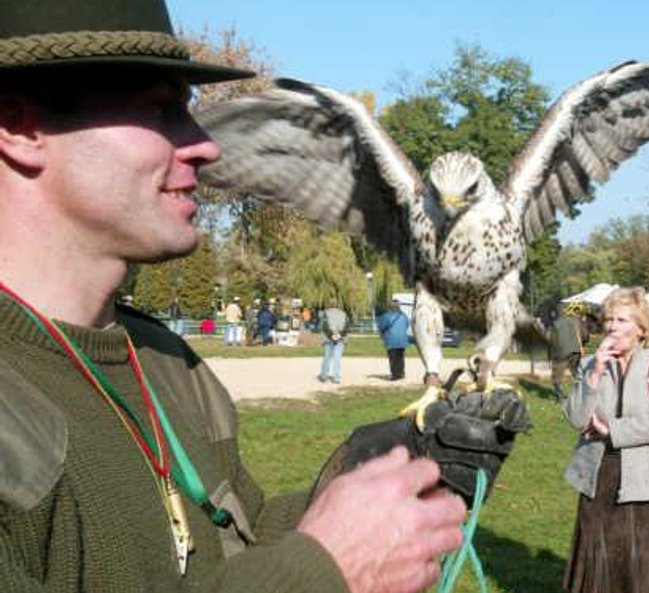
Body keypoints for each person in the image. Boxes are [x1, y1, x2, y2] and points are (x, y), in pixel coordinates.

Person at [0, 2, 468, 592]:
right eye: (161, 110)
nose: (204, 145)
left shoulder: (168, 362)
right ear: (19, 128)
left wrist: (407, 475)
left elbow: (233, 543)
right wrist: (321, 572)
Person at [562, 287, 649, 593]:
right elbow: (575, 418)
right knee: (599, 562)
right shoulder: (588, 365)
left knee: (642, 562)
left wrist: (611, 430)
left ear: (641, 329)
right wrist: (593, 376)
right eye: (608, 319)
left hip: (648, 480)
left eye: (621, 320)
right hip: (599, 477)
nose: (611, 326)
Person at [549, 302, 588, 401]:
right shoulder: (574, 320)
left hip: (561, 353)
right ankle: (582, 393)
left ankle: (560, 396)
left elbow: (552, 343)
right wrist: (581, 345)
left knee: (557, 375)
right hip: (575, 351)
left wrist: (550, 357)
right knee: (576, 373)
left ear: (556, 312)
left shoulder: (555, 324)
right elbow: (585, 335)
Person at [377, 298, 411, 380]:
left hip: (391, 340)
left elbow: (381, 326)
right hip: (402, 340)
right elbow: (407, 324)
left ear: (390, 307)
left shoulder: (387, 316)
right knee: (400, 357)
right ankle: (401, 373)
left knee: (393, 358)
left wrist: (382, 333)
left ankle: (395, 375)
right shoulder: (404, 316)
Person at [319, 298, 349, 384]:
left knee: (327, 357)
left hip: (328, 339)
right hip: (340, 339)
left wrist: (331, 335)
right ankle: (336, 378)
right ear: (337, 305)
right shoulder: (344, 314)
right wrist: (339, 335)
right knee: (337, 358)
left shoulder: (325, 313)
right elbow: (347, 327)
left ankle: (324, 376)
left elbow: (324, 326)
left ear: (329, 304)